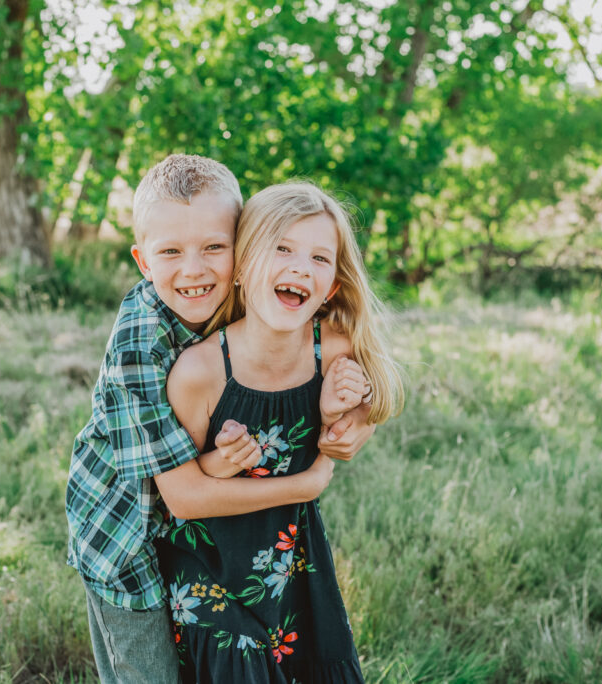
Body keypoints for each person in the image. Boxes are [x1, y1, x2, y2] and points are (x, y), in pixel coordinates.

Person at [65, 156, 376, 684]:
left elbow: (350, 355)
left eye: (214, 246)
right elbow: (182, 496)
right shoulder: (140, 347)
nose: (195, 270)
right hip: (126, 538)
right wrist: (307, 482)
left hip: (210, 538)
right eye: (171, 252)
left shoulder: (255, 297)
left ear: (244, 248)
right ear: (143, 261)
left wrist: (355, 417)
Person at [156, 182, 405, 683]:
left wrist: (345, 418)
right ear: (243, 267)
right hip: (210, 569)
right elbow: (183, 498)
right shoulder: (200, 373)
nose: (300, 267)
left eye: (319, 258)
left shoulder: (329, 349)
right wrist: (308, 479)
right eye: (283, 248)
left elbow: (366, 412)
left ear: (332, 285)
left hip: (292, 560)